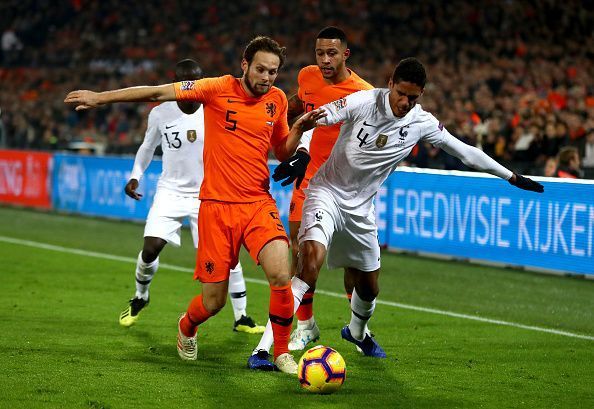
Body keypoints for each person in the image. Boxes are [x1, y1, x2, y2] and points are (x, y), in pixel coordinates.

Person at [65, 36, 325, 374]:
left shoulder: (275, 100)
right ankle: (187, 326)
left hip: (257, 203)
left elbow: (280, 149)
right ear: (244, 65)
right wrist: (101, 98)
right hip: (216, 209)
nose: (267, 78)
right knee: (213, 302)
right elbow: (158, 92)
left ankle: (280, 353)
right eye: (260, 69)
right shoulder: (215, 88)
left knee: (280, 273)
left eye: (273, 72)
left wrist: (299, 135)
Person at [271, 57, 544, 359]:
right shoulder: (364, 101)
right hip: (327, 192)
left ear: (421, 94)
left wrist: (511, 176)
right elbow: (314, 120)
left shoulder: (421, 122)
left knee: (370, 287)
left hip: (362, 209)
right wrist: (301, 153)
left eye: (413, 97)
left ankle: (357, 332)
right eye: (401, 93)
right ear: (390, 84)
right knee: (308, 263)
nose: (405, 102)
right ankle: (270, 346)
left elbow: (464, 151)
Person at [251, 27, 374, 358]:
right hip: (308, 185)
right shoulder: (308, 76)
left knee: (355, 270)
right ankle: (305, 327)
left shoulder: (363, 93)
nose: (324, 60)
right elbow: (298, 107)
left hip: (346, 192)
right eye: (320, 53)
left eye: (331, 53)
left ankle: (359, 328)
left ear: (345, 54)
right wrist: (284, 133)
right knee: (302, 258)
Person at [118, 59, 264, 335]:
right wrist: (135, 174)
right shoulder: (161, 113)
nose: (190, 89)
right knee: (150, 248)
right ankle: (141, 296)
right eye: (184, 83)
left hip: (208, 194)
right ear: (176, 83)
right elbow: (147, 147)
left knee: (226, 257)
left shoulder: (214, 108)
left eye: (194, 82)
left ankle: (242, 316)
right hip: (170, 191)